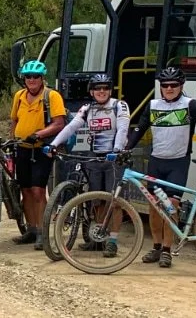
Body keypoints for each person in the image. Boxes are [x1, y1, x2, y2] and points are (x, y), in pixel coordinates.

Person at [124, 66, 196, 268]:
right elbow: (139, 129)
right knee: (154, 207)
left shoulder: (191, 105)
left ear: (181, 86)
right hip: (156, 162)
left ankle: (167, 251)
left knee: (171, 206)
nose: (169, 88)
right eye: (165, 85)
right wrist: (125, 149)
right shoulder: (153, 105)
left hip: (178, 163)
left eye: (174, 85)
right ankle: (156, 246)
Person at [46, 73, 130, 257]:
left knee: (113, 202)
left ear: (110, 90)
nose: (101, 91)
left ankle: (113, 241)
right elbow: (71, 127)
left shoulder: (119, 106)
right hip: (95, 157)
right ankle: (100, 237)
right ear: (91, 91)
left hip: (114, 158)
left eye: (105, 88)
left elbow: (123, 128)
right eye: (97, 88)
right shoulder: (87, 108)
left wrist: (116, 150)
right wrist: (53, 144)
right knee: (97, 201)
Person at [8, 59, 66, 248]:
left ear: (42, 78)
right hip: (22, 148)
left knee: (38, 191)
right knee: (25, 190)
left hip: (41, 149)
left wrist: (39, 134)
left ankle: (42, 231)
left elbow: (59, 123)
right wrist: (12, 140)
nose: (32, 80)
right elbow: (15, 121)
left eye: (35, 77)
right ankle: (31, 229)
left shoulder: (52, 96)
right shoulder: (19, 96)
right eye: (28, 77)